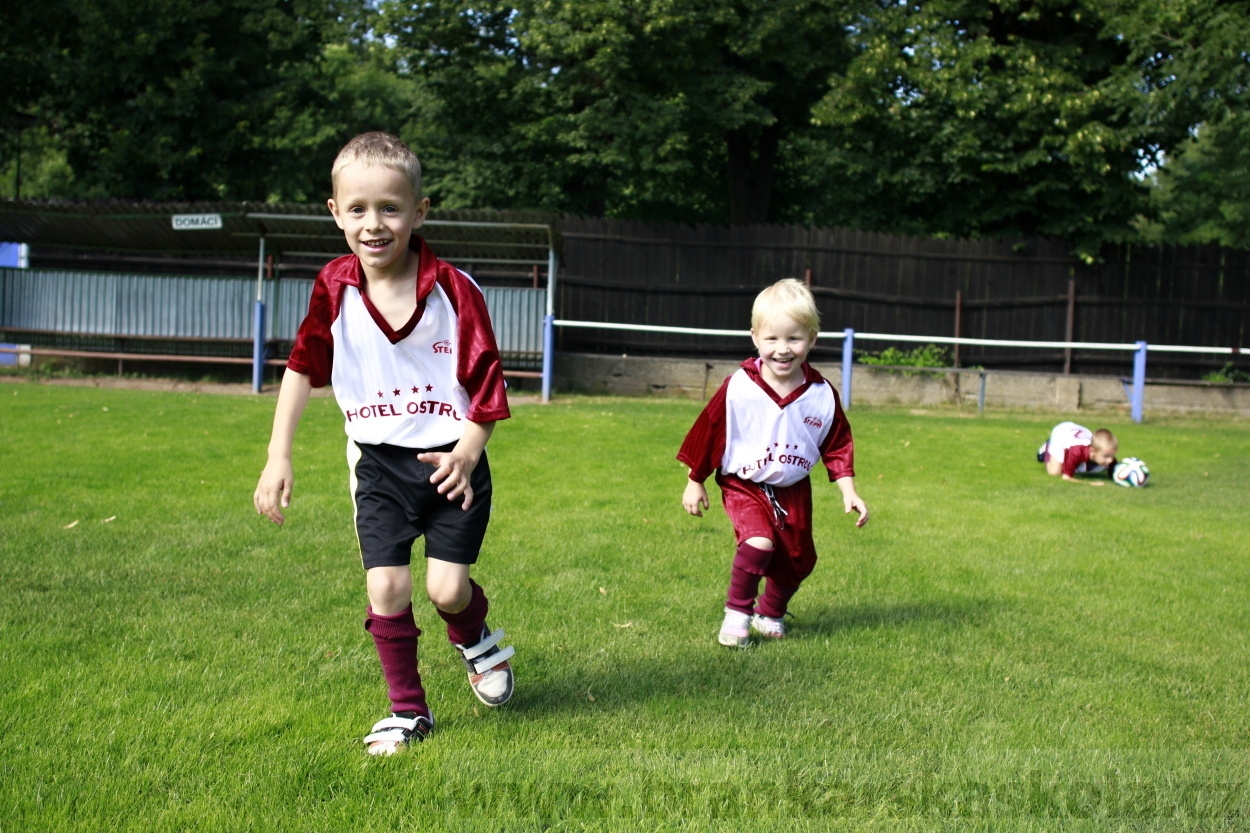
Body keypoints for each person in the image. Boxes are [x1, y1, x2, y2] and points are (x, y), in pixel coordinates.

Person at [254, 132, 515, 755]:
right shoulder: (332, 288)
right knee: (387, 587)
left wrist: (469, 451)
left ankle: (475, 639)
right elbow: (299, 367)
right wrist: (278, 455)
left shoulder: (455, 290)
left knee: (447, 590)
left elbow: (487, 384)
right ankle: (408, 711)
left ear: (419, 212)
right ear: (336, 212)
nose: (375, 224)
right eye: (359, 209)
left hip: (453, 460)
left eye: (391, 208)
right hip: (376, 465)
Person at [677, 278, 868, 648]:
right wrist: (695, 478)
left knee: (799, 561)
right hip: (743, 483)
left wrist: (849, 490)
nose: (783, 349)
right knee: (760, 541)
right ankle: (737, 616)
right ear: (755, 338)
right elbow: (709, 430)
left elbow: (837, 443)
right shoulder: (739, 387)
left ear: (812, 339)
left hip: (793, 487)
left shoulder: (821, 394)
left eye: (794, 339)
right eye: (772, 339)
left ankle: (771, 612)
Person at [1037, 421, 1118, 484]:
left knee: (1079, 467)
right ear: (1092, 451)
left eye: (1112, 455)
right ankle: (1048, 447)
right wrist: (1091, 483)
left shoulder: (1109, 459)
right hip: (1062, 433)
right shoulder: (1076, 452)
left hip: (1080, 433)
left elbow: (1116, 474)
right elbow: (1066, 478)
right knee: (1054, 472)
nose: (1110, 460)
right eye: (1106, 456)